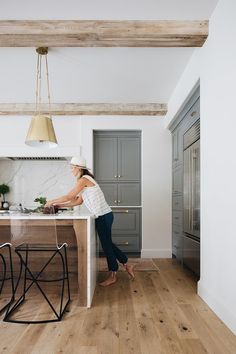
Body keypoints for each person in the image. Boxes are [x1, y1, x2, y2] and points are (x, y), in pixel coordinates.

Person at [45, 156, 134, 286]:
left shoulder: (84, 179)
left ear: (78, 168)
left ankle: (113, 274)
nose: (71, 170)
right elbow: (77, 201)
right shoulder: (85, 180)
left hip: (103, 216)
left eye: (72, 168)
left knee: (107, 245)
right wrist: (60, 206)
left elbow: (70, 196)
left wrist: (51, 201)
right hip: (103, 216)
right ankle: (126, 264)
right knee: (108, 243)